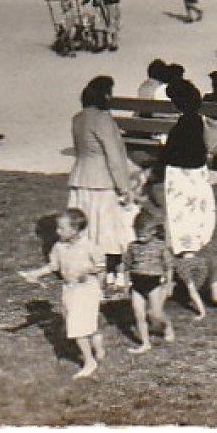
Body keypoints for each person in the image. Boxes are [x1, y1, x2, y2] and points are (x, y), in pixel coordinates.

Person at [20, 208, 107, 379]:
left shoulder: (89, 246)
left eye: (61, 228)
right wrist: (35, 273)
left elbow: (102, 266)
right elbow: (53, 266)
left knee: (77, 326)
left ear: (74, 230)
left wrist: (95, 280)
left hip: (87, 288)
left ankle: (89, 361)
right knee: (81, 322)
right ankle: (98, 347)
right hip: (70, 289)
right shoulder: (58, 247)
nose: (57, 231)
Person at [68, 76, 136, 294]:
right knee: (108, 232)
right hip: (103, 181)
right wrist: (124, 187)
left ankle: (85, 266)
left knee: (87, 229)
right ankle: (109, 272)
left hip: (81, 177)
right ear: (105, 95)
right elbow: (114, 157)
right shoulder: (104, 119)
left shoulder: (78, 118)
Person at [160, 78, 216, 257]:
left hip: (180, 174)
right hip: (197, 173)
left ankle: (185, 247)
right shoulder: (200, 121)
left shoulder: (180, 127)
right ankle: (193, 243)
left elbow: (171, 154)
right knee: (196, 210)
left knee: (181, 212)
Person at [122, 209, 175, 353]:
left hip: (154, 284)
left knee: (155, 313)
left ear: (152, 232)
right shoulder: (133, 246)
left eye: (144, 235)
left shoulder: (160, 246)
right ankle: (145, 343)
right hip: (137, 284)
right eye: (137, 234)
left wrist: (169, 284)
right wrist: (126, 284)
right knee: (139, 314)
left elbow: (169, 266)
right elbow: (126, 266)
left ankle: (167, 325)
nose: (140, 238)